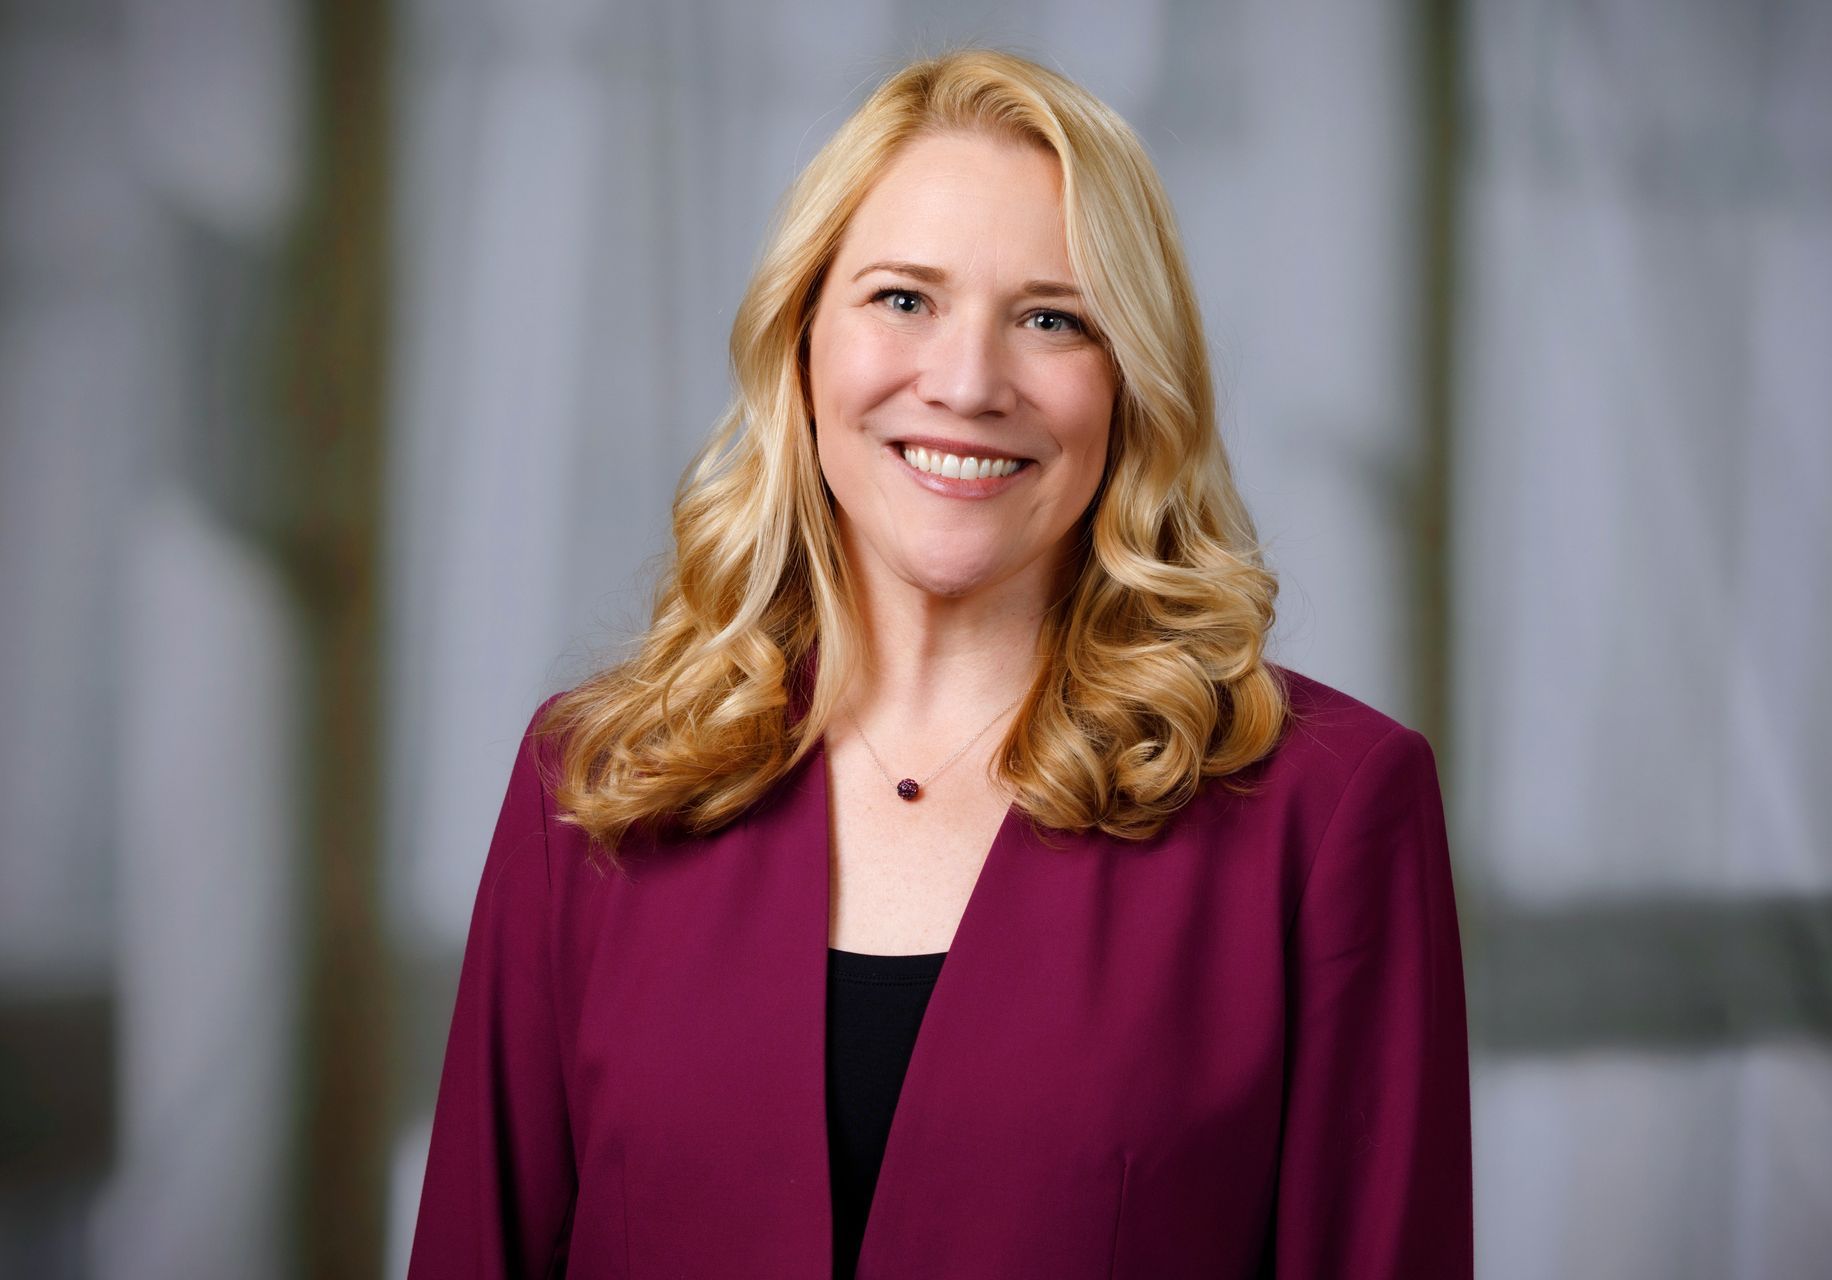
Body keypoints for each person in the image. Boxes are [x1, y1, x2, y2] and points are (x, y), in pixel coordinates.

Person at [409, 48, 1471, 1279]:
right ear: (802, 342)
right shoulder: (592, 782)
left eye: (1051, 318)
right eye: (904, 299)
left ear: (1130, 383)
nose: (967, 383)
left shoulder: (1325, 813)